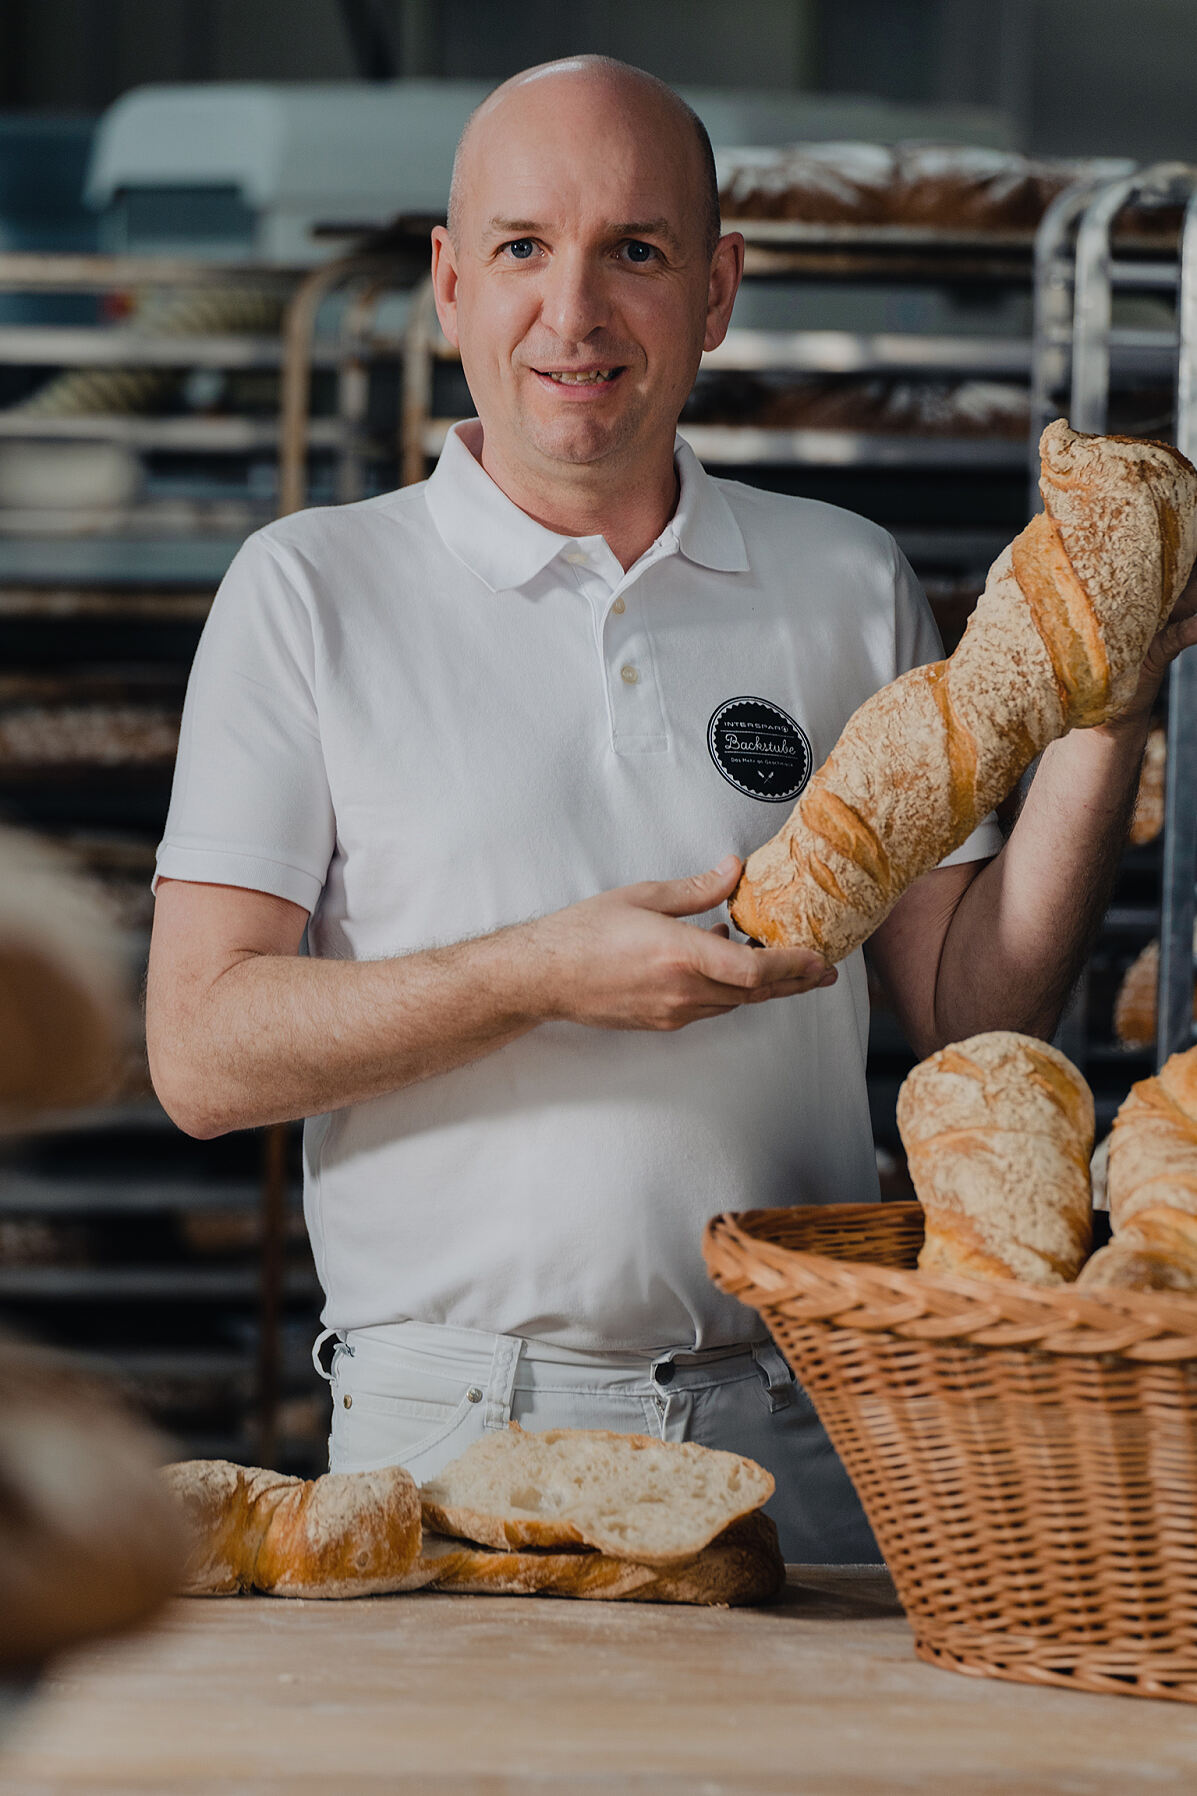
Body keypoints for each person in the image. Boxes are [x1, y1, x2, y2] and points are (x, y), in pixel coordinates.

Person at [146, 56, 1197, 1563]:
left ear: (715, 290)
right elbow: (199, 1055)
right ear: (449, 285)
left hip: (813, 1427)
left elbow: (976, 1011)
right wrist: (537, 976)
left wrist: (1110, 703)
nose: (570, 315)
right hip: (452, 1436)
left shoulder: (841, 578)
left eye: (632, 252)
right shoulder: (311, 591)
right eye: (521, 249)